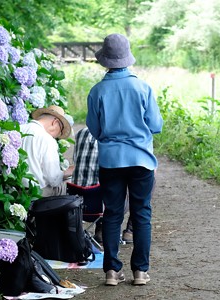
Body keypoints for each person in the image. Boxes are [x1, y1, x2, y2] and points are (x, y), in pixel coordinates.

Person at [86, 33, 163, 286]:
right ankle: (140, 272)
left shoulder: (97, 91)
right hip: (141, 160)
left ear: (105, 60)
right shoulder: (143, 87)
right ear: (127, 57)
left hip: (110, 162)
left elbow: (95, 129)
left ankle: (111, 271)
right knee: (142, 214)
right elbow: (156, 125)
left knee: (112, 215)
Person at [71, 127, 133, 244]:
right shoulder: (115, 134)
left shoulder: (81, 133)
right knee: (143, 182)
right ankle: (130, 231)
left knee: (103, 180)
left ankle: (101, 229)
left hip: (79, 205)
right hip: (103, 205)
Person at [20, 105, 75, 197]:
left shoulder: (18, 129)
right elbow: (53, 180)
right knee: (68, 185)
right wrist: (67, 172)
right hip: (35, 194)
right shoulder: (47, 139)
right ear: (55, 122)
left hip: (13, 190)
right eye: (60, 132)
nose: (56, 136)